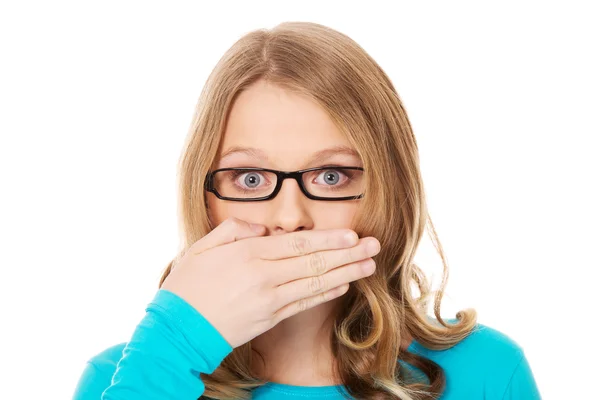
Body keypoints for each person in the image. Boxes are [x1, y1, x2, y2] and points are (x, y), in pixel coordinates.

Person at [72, 21, 541, 400]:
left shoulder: (489, 373)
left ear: (390, 189)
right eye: (250, 178)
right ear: (205, 199)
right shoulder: (123, 378)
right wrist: (171, 347)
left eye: (331, 176)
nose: (289, 217)